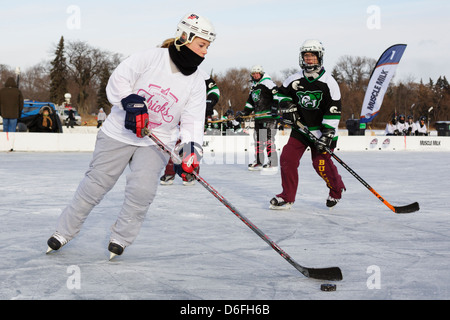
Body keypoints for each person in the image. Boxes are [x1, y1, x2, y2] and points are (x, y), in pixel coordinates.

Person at [46, 12, 216, 259]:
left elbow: (192, 120)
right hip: (118, 133)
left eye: (208, 47)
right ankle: (63, 232)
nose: (205, 52)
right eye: (202, 45)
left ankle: (121, 238)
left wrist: (191, 150)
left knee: (142, 192)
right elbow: (119, 81)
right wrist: (131, 103)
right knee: (95, 186)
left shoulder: (198, 82)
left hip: (156, 142)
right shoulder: (150, 58)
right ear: (184, 37)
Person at [270, 39, 346, 210]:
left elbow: (333, 110)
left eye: (312, 55)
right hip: (301, 130)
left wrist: (327, 134)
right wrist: (286, 104)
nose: (309, 59)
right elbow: (279, 95)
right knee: (287, 160)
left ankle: (336, 189)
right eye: (306, 56)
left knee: (320, 166)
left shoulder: (329, 82)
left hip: (323, 133)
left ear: (319, 57)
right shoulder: (294, 78)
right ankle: (287, 197)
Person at [159, 45, 220, 186]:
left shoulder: (199, 72)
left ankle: (190, 174)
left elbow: (214, 89)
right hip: (174, 114)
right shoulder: (164, 72)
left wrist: (209, 103)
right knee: (172, 144)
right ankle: (169, 173)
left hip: (194, 113)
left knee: (191, 144)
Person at [238, 65, 279, 171]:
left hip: (269, 117)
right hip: (258, 117)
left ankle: (272, 161)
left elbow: (277, 94)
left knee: (269, 140)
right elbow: (250, 102)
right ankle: (259, 162)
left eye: (257, 73)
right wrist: (244, 112)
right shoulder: (253, 87)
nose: (255, 75)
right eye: (254, 74)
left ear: (261, 74)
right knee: (258, 141)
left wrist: (275, 107)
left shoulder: (268, 83)